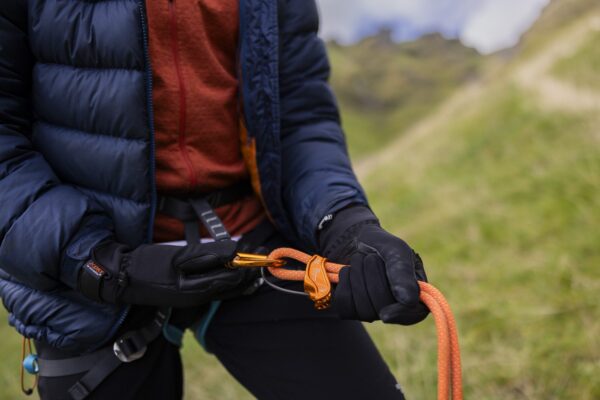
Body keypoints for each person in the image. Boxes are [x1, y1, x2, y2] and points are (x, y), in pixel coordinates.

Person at [0, 1, 428, 399]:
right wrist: (95, 262)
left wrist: (344, 223)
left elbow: (298, 112)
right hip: (94, 278)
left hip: (253, 246)